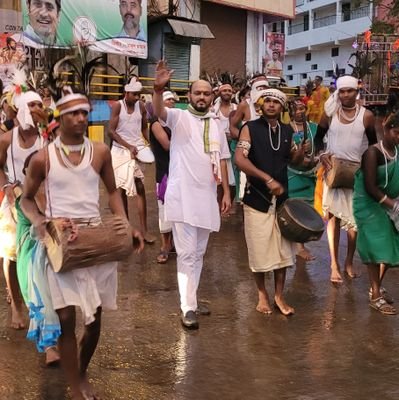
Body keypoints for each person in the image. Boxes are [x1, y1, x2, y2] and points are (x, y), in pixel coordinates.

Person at [21, 88, 144, 400]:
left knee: (94, 319)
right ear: (60, 117)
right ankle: (76, 383)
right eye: (74, 113)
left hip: (95, 242)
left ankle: (82, 371)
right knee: (66, 320)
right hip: (60, 245)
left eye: (85, 113)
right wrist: (41, 222)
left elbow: (113, 192)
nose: (80, 118)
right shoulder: (42, 158)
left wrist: (125, 226)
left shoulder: (100, 152)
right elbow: (26, 200)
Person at [152, 60, 231, 329]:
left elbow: (222, 159)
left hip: (207, 197)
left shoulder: (217, 123)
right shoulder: (179, 117)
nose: (201, 97)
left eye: (206, 93)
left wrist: (226, 193)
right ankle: (187, 308)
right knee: (186, 254)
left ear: (212, 97)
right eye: (197, 92)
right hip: (183, 197)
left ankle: (192, 301)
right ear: (189, 96)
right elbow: (159, 111)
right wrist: (157, 89)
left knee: (198, 254)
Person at [235, 88, 309, 316]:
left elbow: (294, 162)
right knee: (259, 251)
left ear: (282, 107)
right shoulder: (250, 128)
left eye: (276, 102)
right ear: (260, 104)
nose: (271, 105)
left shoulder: (286, 130)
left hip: (281, 201)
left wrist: (301, 153)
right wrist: (266, 178)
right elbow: (239, 159)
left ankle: (278, 295)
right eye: (267, 101)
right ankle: (262, 294)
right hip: (256, 198)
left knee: (283, 252)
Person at [315, 75, 377, 283]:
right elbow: (317, 140)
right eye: (341, 91)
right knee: (332, 217)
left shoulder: (367, 116)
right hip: (333, 172)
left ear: (356, 92)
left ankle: (349, 262)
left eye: (349, 91)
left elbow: (373, 146)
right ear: (338, 93)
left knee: (354, 223)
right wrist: (322, 155)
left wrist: (369, 170)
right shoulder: (330, 113)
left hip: (356, 174)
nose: (345, 95)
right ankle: (334, 264)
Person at [0, 91, 47, 329]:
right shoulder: (7, 138)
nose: (37, 107)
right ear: (20, 108)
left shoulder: (46, 137)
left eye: (40, 104)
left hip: (41, 201)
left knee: (41, 255)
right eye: (31, 104)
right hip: (14, 202)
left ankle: (38, 304)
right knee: (11, 255)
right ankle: (17, 306)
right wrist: (6, 186)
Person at [353, 110, 399, 315]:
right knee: (377, 246)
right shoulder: (372, 153)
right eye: (397, 132)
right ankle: (376, 296)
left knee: (391, 247)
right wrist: (393, 204)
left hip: (389, 201)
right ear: (386, 129)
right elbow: (370, 187)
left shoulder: (397, 151)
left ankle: (376, 288)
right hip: (368, 203)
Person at [108, 77, 155, 243]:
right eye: (134, 94)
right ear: (126, 93)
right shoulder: (117, 107)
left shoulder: (141, 106)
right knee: (121, 190)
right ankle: (127, 230)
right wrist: (128, 146)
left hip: (137, 150)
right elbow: (111, 132)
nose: (136, 98)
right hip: (120, 151)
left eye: (138, 94)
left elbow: (143, 127)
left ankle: (144, 231)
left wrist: (148, 143)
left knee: (140, 187)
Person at [288, 97, 318, 261]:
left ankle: (300, 243)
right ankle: (299, 247)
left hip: (309, 175)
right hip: (292, 173)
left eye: (302, 109)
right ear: (290, 112)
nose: (299, 112)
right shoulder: (286, 129)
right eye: (296, 109)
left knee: (307, 209)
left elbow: (322, 147)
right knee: (294, 208)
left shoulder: (314, 128)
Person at [149, 90, 175, 264]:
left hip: (178, 170)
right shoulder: (156, 123)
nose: (171, 103)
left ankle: (173, 243)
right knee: (164, 210)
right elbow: (167, 145)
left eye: (173, 101)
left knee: (178, 210)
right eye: (168, 100)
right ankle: (165, 245)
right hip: (165, 172)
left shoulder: (176, 122)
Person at [213, 83, 237, 205]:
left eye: (229, 90)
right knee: (219, 172)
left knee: (233, 173)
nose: (227, 92)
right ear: (219, 93)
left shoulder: (236, 108)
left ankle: (231, 200)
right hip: (217, 144)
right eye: (224, 90)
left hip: (233, 144)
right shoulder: (214, 109)